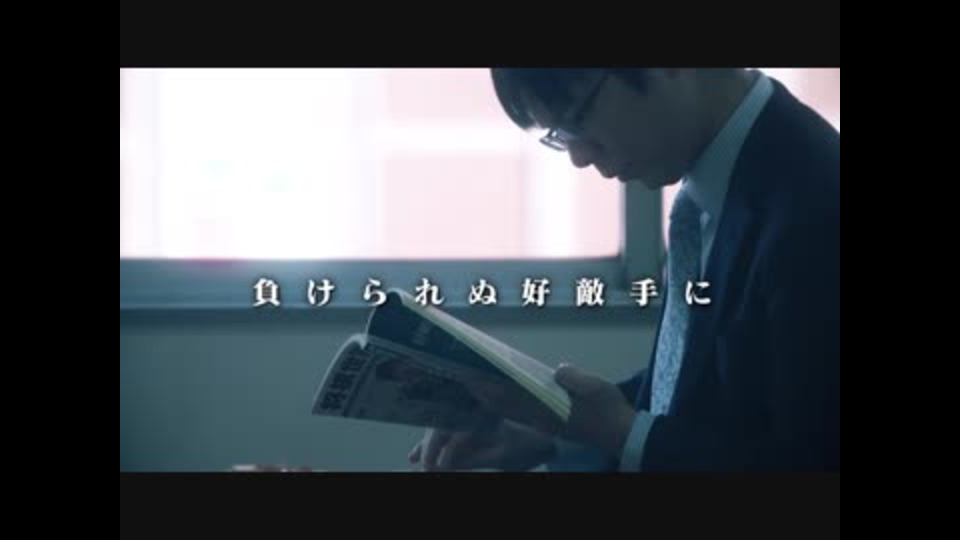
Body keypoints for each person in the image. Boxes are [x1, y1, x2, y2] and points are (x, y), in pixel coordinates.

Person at [408, 68, 840, 472]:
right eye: (560, 136)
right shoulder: (724, 182)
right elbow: (700, 389)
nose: (579, 156)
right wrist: (552, 431)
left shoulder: (816, 208)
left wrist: (619, 431)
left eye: (578, 117)